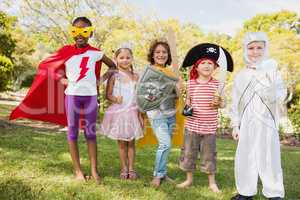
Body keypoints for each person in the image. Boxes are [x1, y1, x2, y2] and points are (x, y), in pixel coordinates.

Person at [10, 17, 116, 183]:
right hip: (72, 96)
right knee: (72, 131)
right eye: (75, 30)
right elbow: (48, 68)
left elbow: (113, 66)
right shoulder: (65, 51)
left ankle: (94, 171)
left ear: (91, 33)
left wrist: (100, 80)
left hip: (90, 97)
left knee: (90, 133)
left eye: (84, 30)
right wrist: (61, 80)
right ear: (72, 32)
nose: (79, 34)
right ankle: (78, 171)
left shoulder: (97, 53)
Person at [230, 32, 286, 200]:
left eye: (259, 48)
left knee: (269, 156)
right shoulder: (241, 75)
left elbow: (279, 97)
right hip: (247, 122)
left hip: (266, 120)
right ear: (245, 50)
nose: (255, 52)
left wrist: (268, 77)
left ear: (265, 48)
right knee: (245, 155)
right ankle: (245, 192)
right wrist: (235, 125)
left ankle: (274, 193)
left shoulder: (273, 72)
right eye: (251, 48)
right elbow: (235, 102)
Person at [176, 43, 233, 193]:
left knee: (209, 155)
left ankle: (212, 182)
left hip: (209, 128)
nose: (207, 65)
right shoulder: (191, 84)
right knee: (188, 153)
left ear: (215, 67)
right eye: (203, 63)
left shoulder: (217, 84)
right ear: (196, 66)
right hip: (192, 126)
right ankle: (188, 179)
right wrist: (186, 108)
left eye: (210, 63)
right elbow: (188, 101)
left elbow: (224, 102)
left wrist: (219, 102)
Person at [137, 40, 182, 187]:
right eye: (158, 52)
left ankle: (162, 173)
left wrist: (177, 86)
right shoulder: (149, 71)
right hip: (156, 113)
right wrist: (141, 113)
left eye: (164, 52)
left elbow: (176, 96)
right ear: (153, 54)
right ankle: (157, 175)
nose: (161, 54)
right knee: (165, 144)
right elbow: (142, 93)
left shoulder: (171, 73)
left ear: (168, 55)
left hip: (170, 112)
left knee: (166, 146)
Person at [101, 47, 143, 180]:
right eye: (122, 57)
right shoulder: (114, 76)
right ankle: (124, 168)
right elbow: (107, 95)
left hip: (132, 112)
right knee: (121, 143)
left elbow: (139, 96)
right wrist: (115, 99)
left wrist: (141, 115)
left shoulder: (136, 76)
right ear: (116, 59)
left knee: (131, 142)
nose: (125, 60)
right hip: (119, 112)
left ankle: (131, 168)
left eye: (128, 57)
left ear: (132, 59)